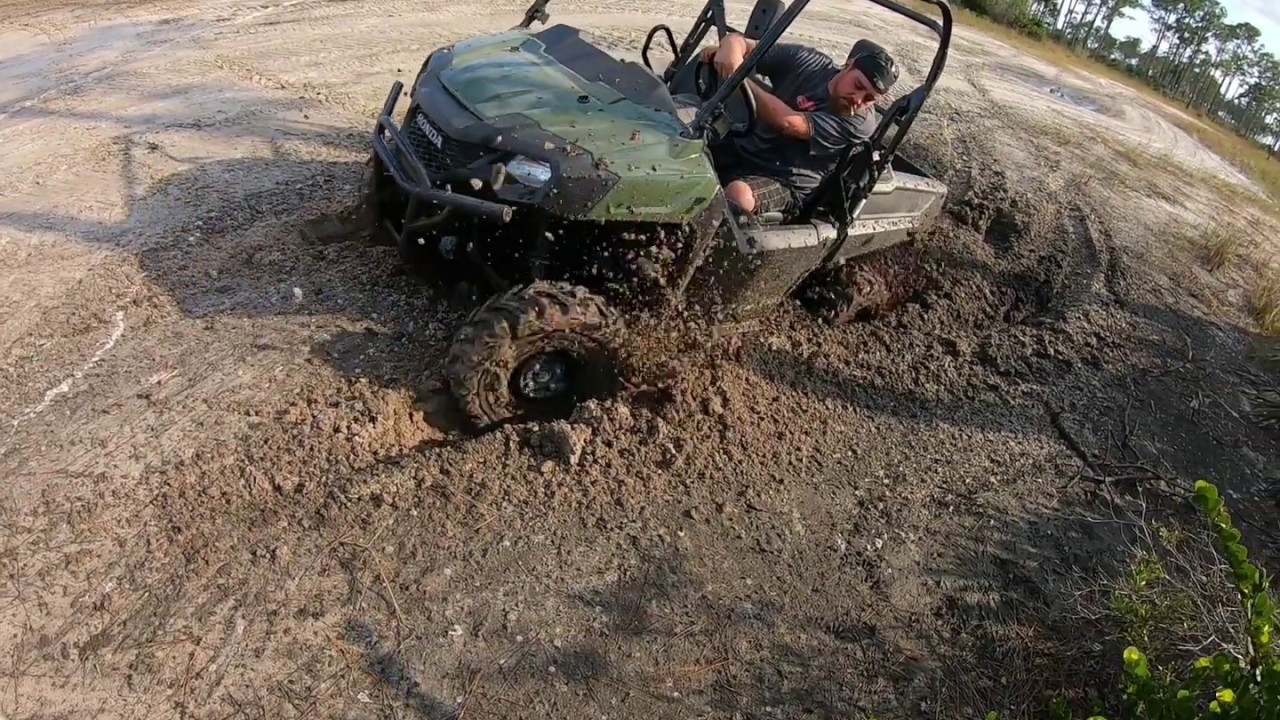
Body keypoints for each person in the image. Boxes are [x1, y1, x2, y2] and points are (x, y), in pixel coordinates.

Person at [696, 34, 899, 217]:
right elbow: (744, 43)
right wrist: (729, 50)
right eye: (858, 85)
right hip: (747, 149)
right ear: (848, 65)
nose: (858, 99)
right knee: (686, 145)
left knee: (737, 196)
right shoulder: (810, 62)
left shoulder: (860, 123)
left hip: (786, 181)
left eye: (869, 98)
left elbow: (788, 123)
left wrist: (737, 76)